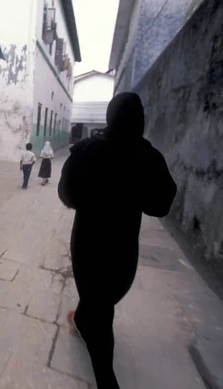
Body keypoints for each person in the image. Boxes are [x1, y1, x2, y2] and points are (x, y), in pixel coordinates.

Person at [58, 92, 177, 389]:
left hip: (88, 244)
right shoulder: (149, 157)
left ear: (110, 117)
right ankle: (85, 324)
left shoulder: (86, 151)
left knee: (96, 303)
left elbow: (67, 195)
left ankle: (105, 377)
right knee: (102, 303)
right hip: (124, 250)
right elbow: (160, 204)